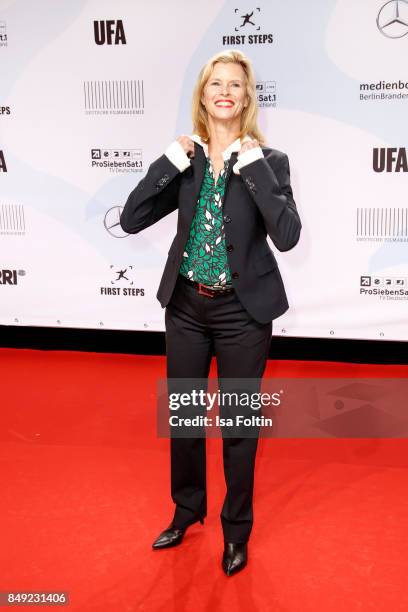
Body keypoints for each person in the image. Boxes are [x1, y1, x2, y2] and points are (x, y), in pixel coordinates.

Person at [120, 49, 301, 576]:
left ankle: (235, 530)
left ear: (246, 100)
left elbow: (287, 237)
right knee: (184, 418)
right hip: (186, 307)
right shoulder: (188, 160)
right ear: (202, 95)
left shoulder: (271, 163)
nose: (225, 91)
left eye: (235, 86)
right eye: (215, 83)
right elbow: (131, 219)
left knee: (240, 425)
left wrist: (255, 170)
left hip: (244, 314)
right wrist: (168, 162)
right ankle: (187, 510)